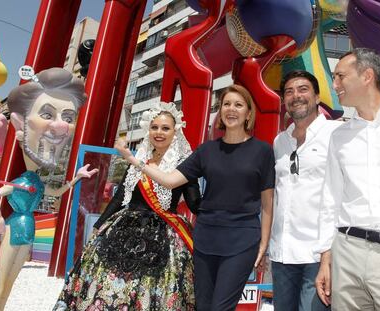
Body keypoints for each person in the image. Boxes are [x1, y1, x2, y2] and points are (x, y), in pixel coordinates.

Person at [116, 84, 275, 311]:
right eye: (226, 104)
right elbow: (170, 180)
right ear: (220, 111)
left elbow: (268, 203)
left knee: (221, 307)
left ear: (248, 113)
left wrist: (264, 243)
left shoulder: (263, 151)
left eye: (238, 105)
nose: (231, 109)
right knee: (203, 305)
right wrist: (134, 160)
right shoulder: (206, 151)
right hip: (206, 237)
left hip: (242, 239)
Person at [53, 102, 201, 310]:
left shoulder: (185, 164)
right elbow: (119, 197)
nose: (159, 132)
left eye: (165, 128)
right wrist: (98, 228)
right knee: (109, 284)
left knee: (155, 286)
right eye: (154, 127)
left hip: (164, 234)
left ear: (175, 132)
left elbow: (195, 203)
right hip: (124, 228)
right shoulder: (139, 159)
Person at [0, 68, 98, 311]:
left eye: (68, 118)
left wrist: (76, 178)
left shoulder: (38, 182)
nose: (60, 127)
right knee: (2, 284)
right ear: (20, 127)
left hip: (29, 230)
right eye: (47, 114)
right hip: (14, 227)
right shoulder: (20, 180)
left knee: (11, 283)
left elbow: (57, 193)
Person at [315, 48, 380, 310]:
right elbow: (330, 198)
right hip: (347, 252)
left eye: (340, 76)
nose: (334, 85)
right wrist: (326, 257)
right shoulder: (339, 136)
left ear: (367, 76)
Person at [270, 70, 341, 311]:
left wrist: (328, 253)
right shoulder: (279, 142)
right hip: (282, 254)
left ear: (318, 97)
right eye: (289, 92)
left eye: (303, 89)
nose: (295, 96)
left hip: (319, 254)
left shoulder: (336, 134)